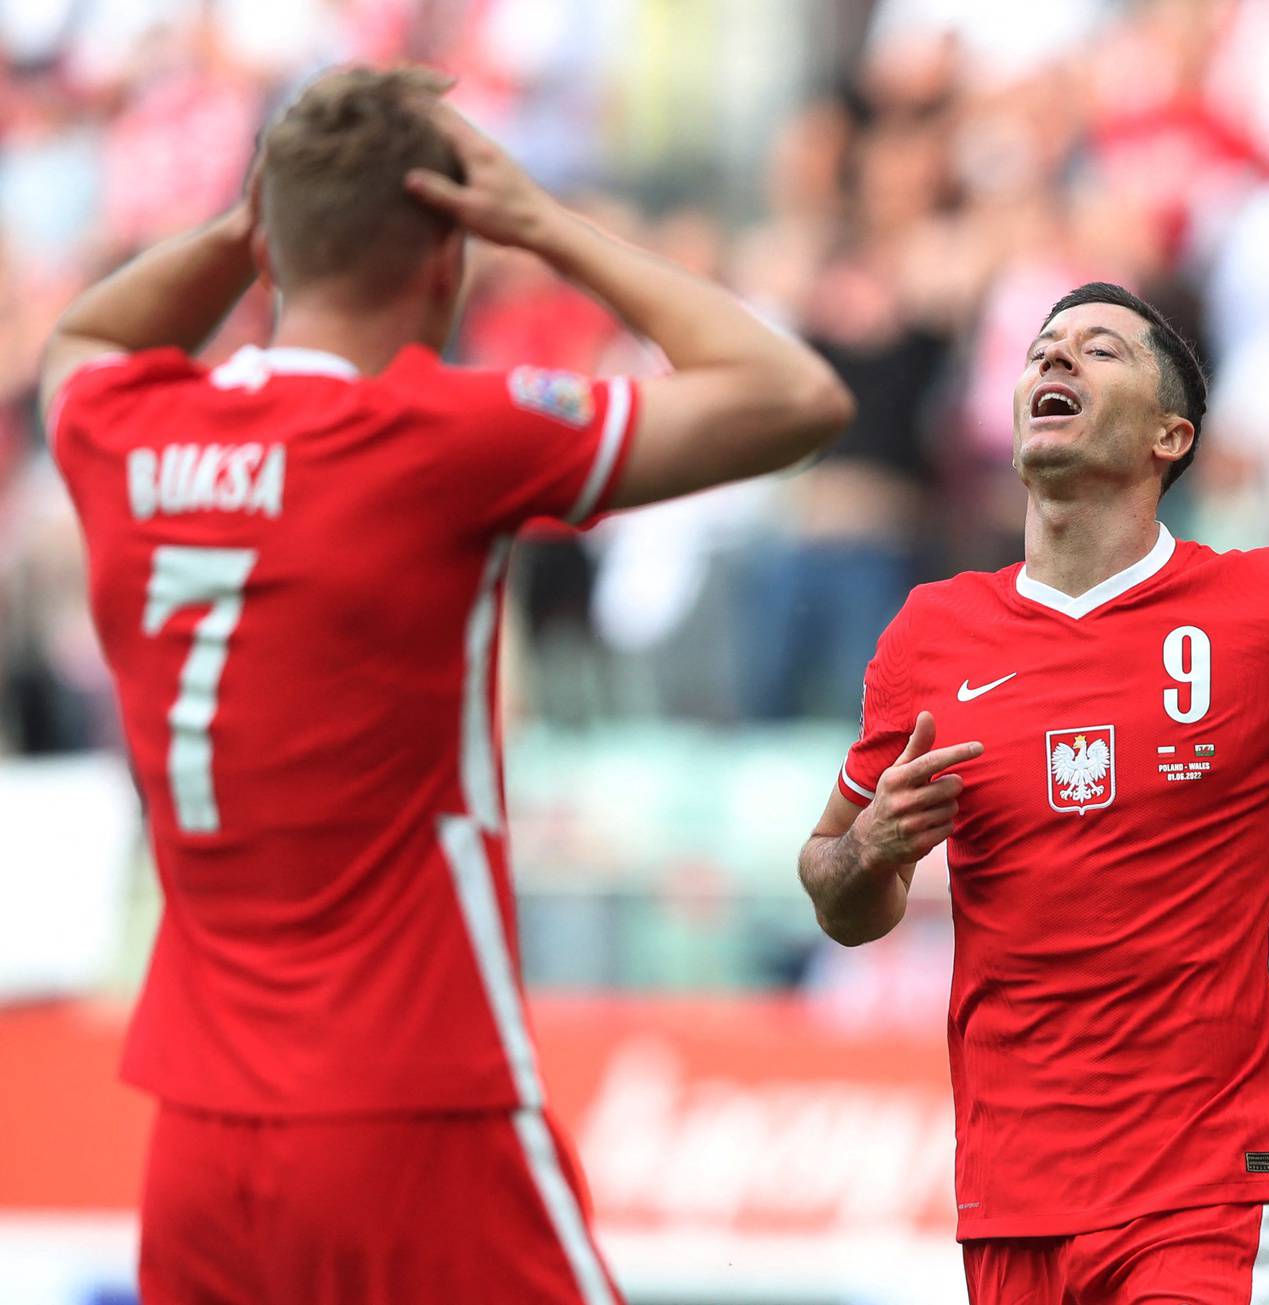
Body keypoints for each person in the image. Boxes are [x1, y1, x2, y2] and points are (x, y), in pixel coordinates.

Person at [40, 68, 851, 1305]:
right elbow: (796, 396)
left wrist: (242, 230)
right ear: (448, 259)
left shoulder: (126, 430)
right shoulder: (435, 435)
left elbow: (85, 338)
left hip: (196, 1136)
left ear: (267, 242)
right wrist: (547, 222)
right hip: (410, 1104)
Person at [796, 281, 1269, 1304]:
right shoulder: (931, 638)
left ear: (1172, 436)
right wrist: (874, 850)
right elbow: (834, 891)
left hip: (1214, 1179)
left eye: (1099, 350)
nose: (1055, 361)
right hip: (1013, 1190)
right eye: (1044, 349)